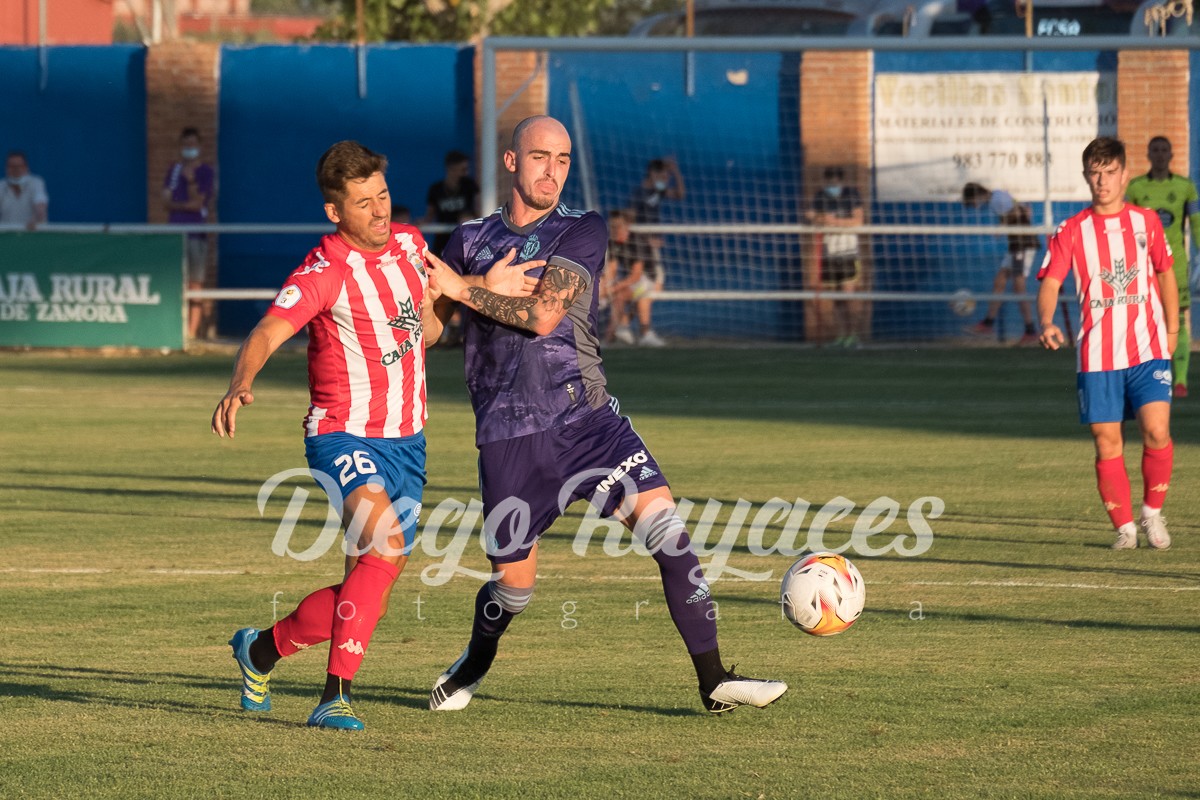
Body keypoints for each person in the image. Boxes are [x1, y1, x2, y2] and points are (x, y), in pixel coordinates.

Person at [424, 115, 787, 714]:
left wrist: (467, 290)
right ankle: (471, 666)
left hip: (589, 420)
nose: (552, 171)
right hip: (510, 436)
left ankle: (714, 679)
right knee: (513, 589)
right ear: (511, 161)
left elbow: (543, 316)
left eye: (563, 159)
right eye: (540, 157)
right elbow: (432, 330)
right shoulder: (469, 239)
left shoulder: (582, 230)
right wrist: (451, 287)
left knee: (671, 540)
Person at [211, 140, 442, 730]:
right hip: (343, 436)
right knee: (385, 546)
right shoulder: (323, 271)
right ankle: (333, 698)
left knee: (369, 584)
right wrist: (240, 383)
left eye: (383, 195)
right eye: (363, 203)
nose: (380, 210)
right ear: (335, 212)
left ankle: (261, 649)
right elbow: (267, 331)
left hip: (408, 442)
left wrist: (436, 313)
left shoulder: (414, 245)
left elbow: (426, 332)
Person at [1037, 136, 1178, 551]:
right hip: (1098, 354)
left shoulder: (1146, 222)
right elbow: (1050, 282)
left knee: (1157, 429)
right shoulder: (1073, 230)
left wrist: (1171, 330)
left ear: (1124, 175)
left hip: (1147, 346)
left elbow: (1166, 273)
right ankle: (1124, 528)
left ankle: (1152, 513)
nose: (1102, 181)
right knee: (1106, 440)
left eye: (1110, 172)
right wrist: (1046, 320)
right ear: (1086, 177)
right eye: (1094, 173)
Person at [1125, 136, 1200, 399]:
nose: (1159, 155)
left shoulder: (1185, 187)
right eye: (1154, 150)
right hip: (1144, 267)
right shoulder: (1135, 188)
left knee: (1177, 319)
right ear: (1148, 154)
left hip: (1175, 265)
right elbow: (1127, 227)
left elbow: (1197, 225)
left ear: (1171, 155)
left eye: (1164, 150)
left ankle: (1179, 380)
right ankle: (1150, 377)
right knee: (1144, 321)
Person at [963, 182, 1041, 345]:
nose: (975, 207)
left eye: (973, 203)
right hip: (1016, 245)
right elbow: (1024, 210)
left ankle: (1031, 330)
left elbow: (1018, 211)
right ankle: (988, 323)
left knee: (1019, 288)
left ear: (977, 195)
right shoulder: (998, 196)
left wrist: (1001, 226)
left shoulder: (997, 199)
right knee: (999, 281)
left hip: (1023, 245)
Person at [163, 128, 217, 339]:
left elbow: (199, 203)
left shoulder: (205, 172)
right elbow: (165, 202)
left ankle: (191, 333)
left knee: (195, 282)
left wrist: (191, 181)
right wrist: (184, 205)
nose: (189, 148)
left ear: (199, 146)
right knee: (174, 281)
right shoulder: (174, 170)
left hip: (196, 235)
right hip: (174, 235)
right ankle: (173, 331)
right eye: (186, 144)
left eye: (193, 144)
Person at [627, 157, 685, 347]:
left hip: (652, 250)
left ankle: (624, 322)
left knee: (651, 288)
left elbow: (680, 194)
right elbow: (630, 223)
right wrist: (647, 239)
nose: (666, 179)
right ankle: (644, 331)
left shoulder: (656, 192)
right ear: (653, 174)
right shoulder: (639, 194)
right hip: (640, 249)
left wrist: (676, 171)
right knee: (646, 288)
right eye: (663, 175)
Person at [424, 150, 480, 346]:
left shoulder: (469, 186)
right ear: (451, 168)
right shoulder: (436, 189)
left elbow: (478, 212)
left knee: (465, 284)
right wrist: (416, 224)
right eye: (462, 168)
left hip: (467, 246)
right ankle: (443, 332)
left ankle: (461, 332)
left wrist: (468, 217)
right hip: (443, 245)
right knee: (442, 286)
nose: (466, 172)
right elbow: (429, 216)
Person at [808, 166, 864, 347]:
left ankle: (853, 335)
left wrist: (834, 221)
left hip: (848, 252)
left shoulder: (851, 195)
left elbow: (858, 221)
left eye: (835, 182)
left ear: (841, 181)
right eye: (829, 182)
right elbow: (811, 216)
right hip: (829, 253)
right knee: (836, 298)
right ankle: (841, 335)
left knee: (849, 296)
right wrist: (821, 218)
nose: (832, 185)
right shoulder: (820, 196)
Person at [605, 208, 652, 345]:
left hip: (648, 279)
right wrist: (606, 285)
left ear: (627, 226)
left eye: (617, 226)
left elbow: (637, 275)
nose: (614, 230)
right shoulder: (613, 242)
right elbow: (612, 269)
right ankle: (620, 330)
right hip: (631, 280)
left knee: (619, 295)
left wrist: (615, 287)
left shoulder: (636, 241)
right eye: (612, 226)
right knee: (612, 293)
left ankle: (613, 334)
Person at [0, 151, 48, 230]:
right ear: (7, 168)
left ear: (26, 167)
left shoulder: (36, 183)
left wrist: (36, 219)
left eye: (19, 166)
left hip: (31, 234)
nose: (16, 169)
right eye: (12, 166)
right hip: (6, 235)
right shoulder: (1, 186)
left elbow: (41, 206)